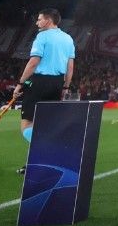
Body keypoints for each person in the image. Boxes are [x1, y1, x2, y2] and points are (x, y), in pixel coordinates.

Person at [13, 9, 75, 160]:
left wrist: (20, 83)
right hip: (57, 83)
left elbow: (33, 62)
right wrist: (65, 87)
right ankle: (36, 163)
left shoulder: (42, 36)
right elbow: (70, 67)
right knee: (45, 124)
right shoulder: (68, 38)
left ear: (48, 20)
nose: (37, 22)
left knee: (27, 125)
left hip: (40, 83)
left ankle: (52, 149)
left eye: (39, 19)